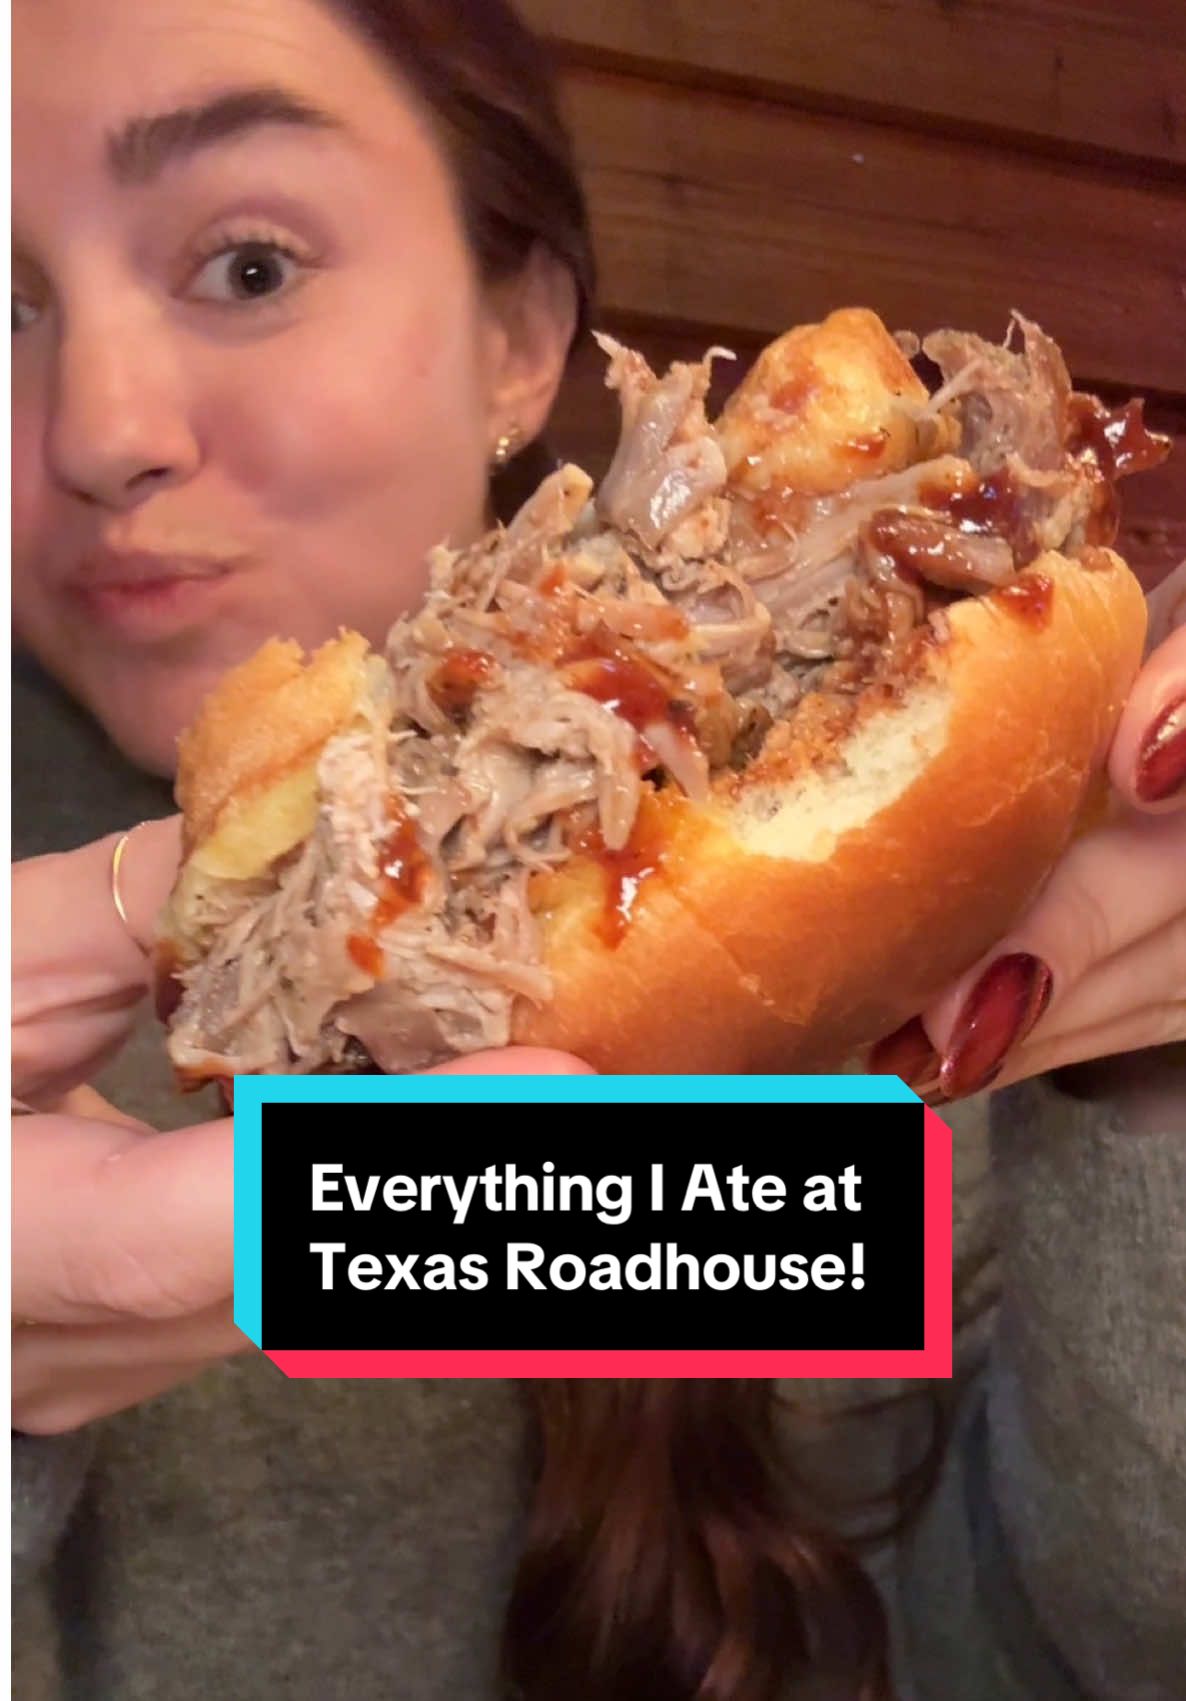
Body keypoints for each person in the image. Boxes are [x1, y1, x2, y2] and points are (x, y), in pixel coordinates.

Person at [11, 0, 1185, 1696]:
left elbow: (1081, 1647)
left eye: (248, 265)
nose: (95, 430)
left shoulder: (930, 906)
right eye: (3, 307)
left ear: (521, 331)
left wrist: (1148, 1086)